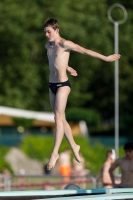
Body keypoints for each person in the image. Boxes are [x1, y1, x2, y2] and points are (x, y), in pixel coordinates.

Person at [44, 18, 121, 170]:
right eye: (45, 32)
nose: (46, 35)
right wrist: (67, 67)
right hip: (51, 84)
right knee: (60, 118)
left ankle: (55, 153)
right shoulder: (48, 45)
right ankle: (74, 146)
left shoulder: (65, 43)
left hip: (63, 85)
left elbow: (85, 50)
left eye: (49, 32)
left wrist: (105, 58)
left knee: (58, 117)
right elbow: (55, 62)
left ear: (57, 30)